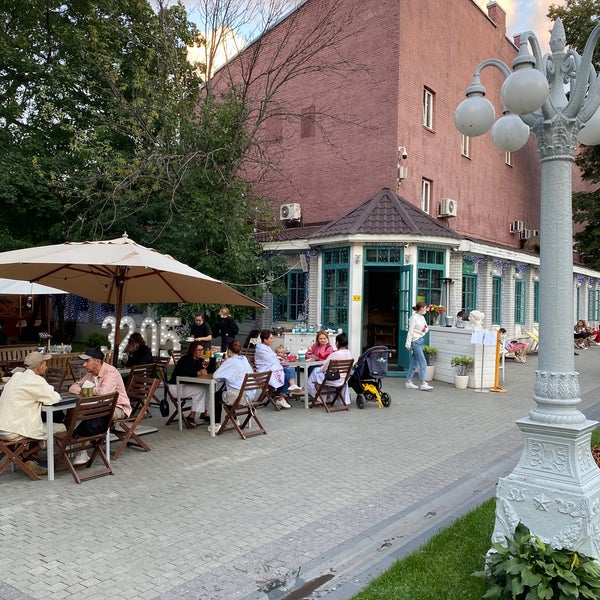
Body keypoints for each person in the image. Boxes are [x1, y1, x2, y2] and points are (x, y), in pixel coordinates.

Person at [0, 351, 65, 476]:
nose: (46, 367)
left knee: (40, 424)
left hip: (2, 427)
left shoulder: (16, 376)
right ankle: (29, 455)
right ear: (39, 366)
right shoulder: (35, 380)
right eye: (45, 364)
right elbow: (54, 398)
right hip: (14, 430)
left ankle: (30, 457)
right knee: (61, 428)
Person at [69, 347, 132, 463]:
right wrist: (84, 390)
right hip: (98, 407)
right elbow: (73, 387)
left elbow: (104, 392)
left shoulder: (111, 372)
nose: (84, 364)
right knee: (79, 411)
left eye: (87, 361)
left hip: (118, 407)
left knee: (95, 413)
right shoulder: (91, 374)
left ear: (97, 361)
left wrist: (88, 390)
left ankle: (77, 441)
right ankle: (78, 442)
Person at [211, 339, 255, 433]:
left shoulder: (230, 361)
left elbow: (216, 376)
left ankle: (216, 424)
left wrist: (223, 365)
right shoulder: (244, 359)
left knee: (218, 395)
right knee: (229, 391)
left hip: (241, 396)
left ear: (229, 350)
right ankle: (234, 419)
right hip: (250, 394)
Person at [168, 341, 216, 426]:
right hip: (176, 386)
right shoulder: (185, 359)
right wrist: (197, 373)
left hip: (187, 385)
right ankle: (191, 416)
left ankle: (204, 412)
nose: (201, 352)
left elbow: (211, 371)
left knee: (208, 387)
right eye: (198, 350)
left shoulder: (200, 360)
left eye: (202, 350)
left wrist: (211, 357)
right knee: (200, 390)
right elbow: (181, 372)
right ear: (193, 350)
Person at [254, 329, 301, 409]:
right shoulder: (261, 350)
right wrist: (279, 360)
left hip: (270, 370)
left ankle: (284, 394)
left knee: (290, 370)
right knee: (288, 372)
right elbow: (271, 361)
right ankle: (284, 395)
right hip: (265, 373)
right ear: (265, 340)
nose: (273, 340)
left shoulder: (266, 347)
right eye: (271, 338)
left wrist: (280, 359)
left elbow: (274, 358)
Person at [306, 332, 353, 405]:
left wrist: (320, 369)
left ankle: (316, 396)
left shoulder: (334, 355)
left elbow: (324, 368)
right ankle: (323, 398)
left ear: (337, 343)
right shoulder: (349, 353)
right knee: (319, 376)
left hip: (333, 379)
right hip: (343, 380)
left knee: (316, 372)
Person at [405, 302, 434, 391]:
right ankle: (423, 382)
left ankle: (408, 381)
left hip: (420, 340)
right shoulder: (413, 318)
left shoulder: (422, 317)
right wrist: (408, 343)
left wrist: (424, 330)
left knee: (414, 362)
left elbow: (426, 328)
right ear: (421, 308)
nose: (426, 310)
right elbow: (410, 331)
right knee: (423, 362)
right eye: (425, 308)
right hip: (415, 341)